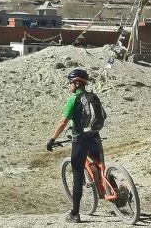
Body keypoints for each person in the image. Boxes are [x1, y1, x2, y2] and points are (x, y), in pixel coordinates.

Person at [46, 69, 104, 224]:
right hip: (95, 136)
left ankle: (75, 213)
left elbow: (63, 122)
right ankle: (109, 185)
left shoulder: (73, 99)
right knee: (99, 164)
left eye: (70, 82)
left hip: (80, 139)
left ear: (76, 83)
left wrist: (52, 139)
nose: (69, 85)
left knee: (77, 174)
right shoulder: (93, 96)